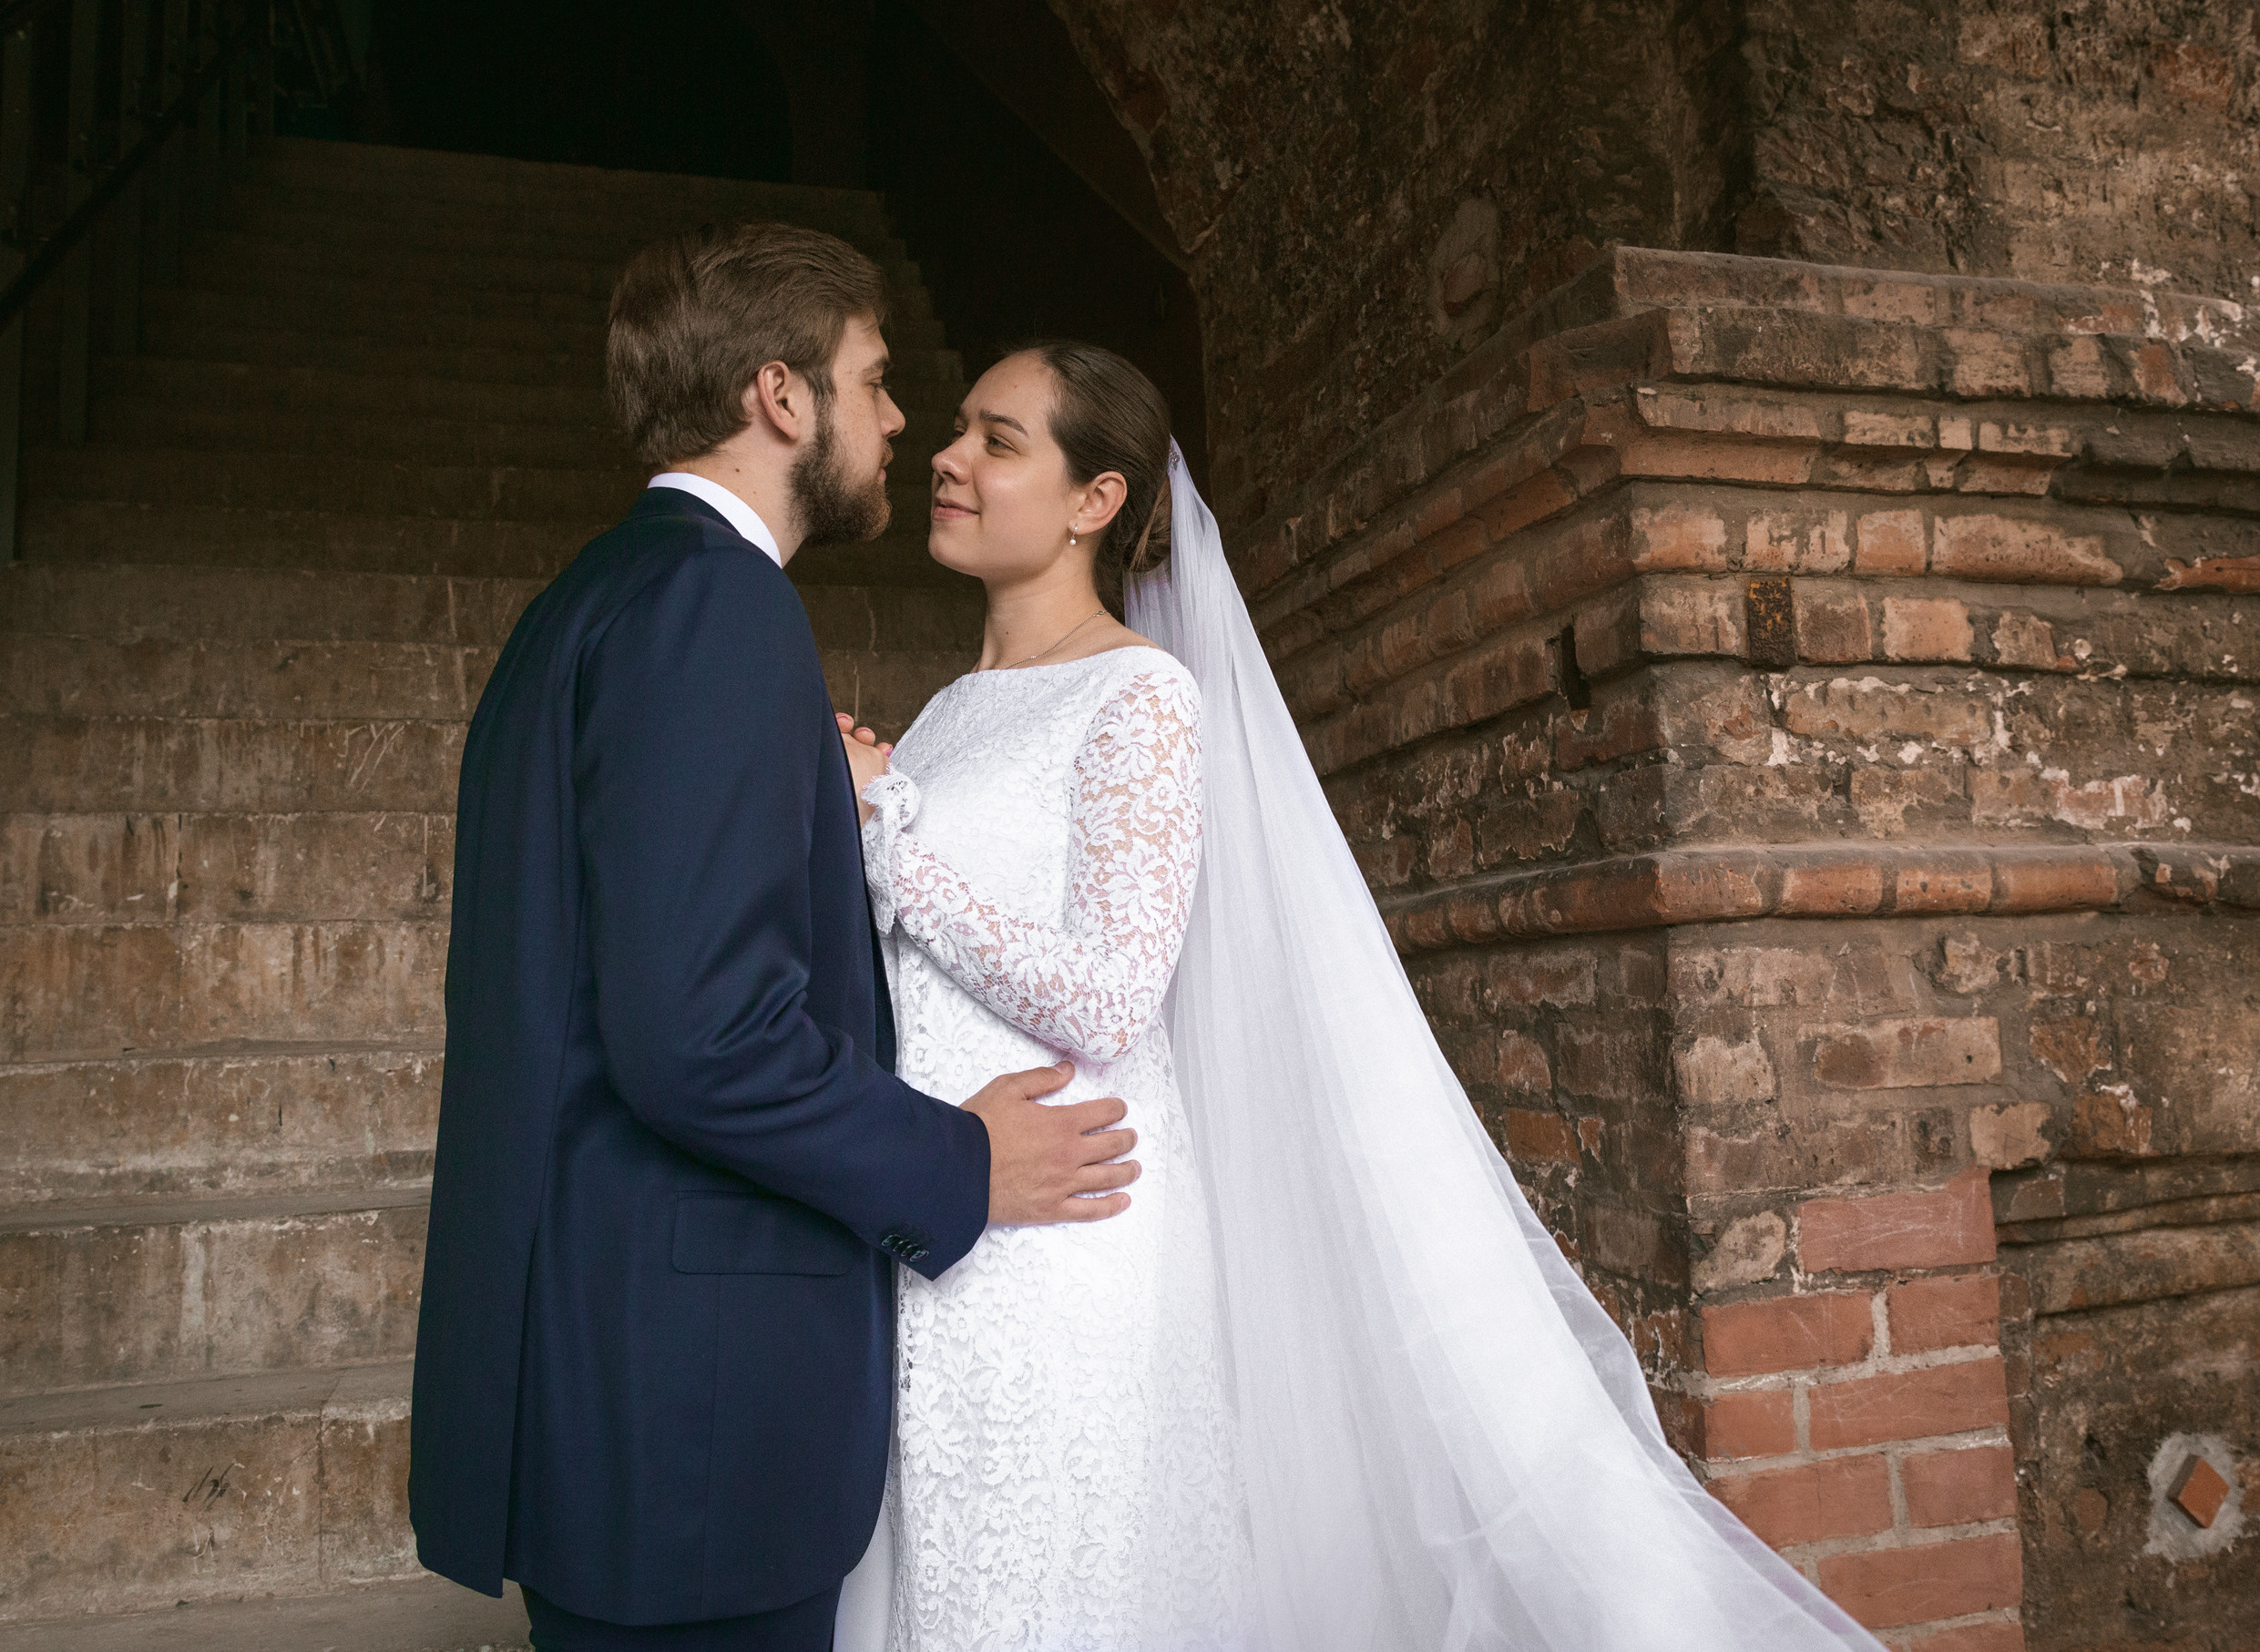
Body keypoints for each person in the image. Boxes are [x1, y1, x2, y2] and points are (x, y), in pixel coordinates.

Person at [833, 341, 1891, 1651]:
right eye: (955, 429)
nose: (946, 456)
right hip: (953, 1215)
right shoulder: (941, 716)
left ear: (1093, 500)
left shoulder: (1139, 698)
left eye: (997, 439)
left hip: (1068, 1233)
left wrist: (894, 844)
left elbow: (1112, 994)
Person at [408, 225, 1144, 1652]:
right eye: (873, 381)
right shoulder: (714, 606)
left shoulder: (596, 598)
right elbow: (696, 1036)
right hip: (693, 1402)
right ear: (780, 397)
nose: (894, 422)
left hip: (608, 1358)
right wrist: (962, 1162)